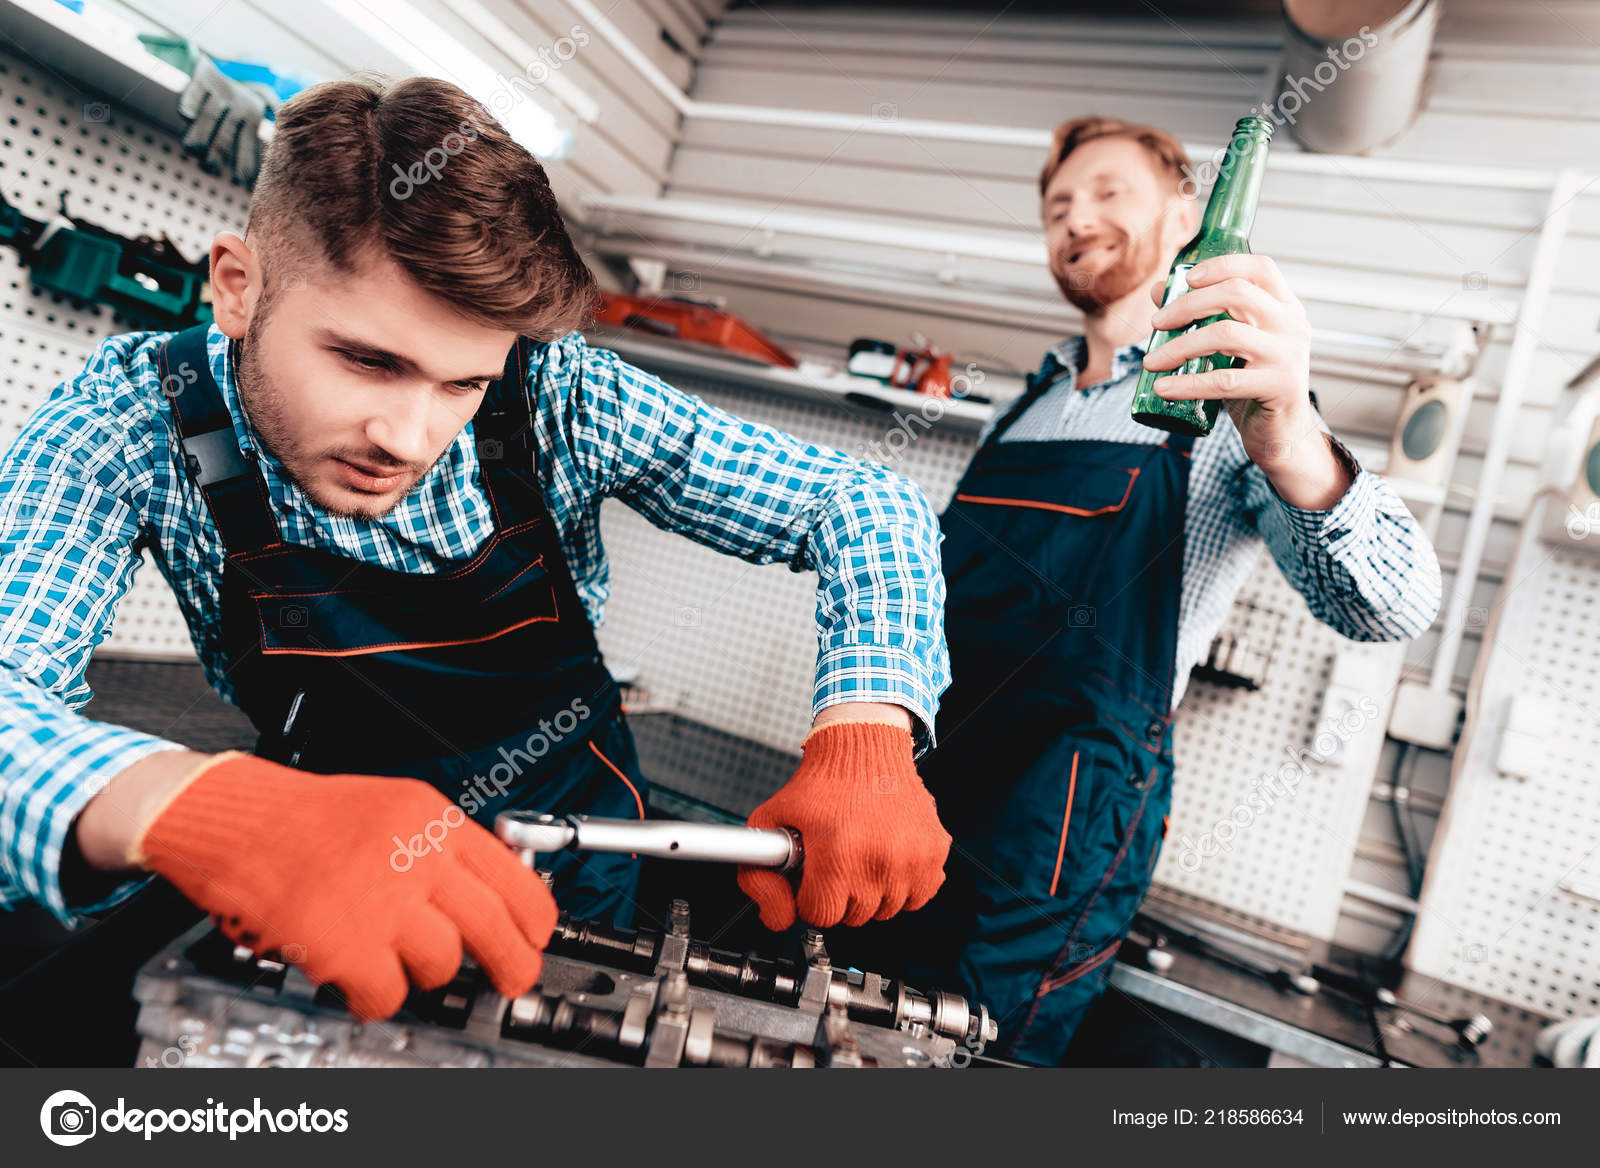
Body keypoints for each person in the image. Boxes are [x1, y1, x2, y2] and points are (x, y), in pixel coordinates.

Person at [0, 75, 953, 1046]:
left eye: (461, 381)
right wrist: (207, 811)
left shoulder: (554, 393)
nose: (406, 435)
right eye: (367, 360)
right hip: (329, 871)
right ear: (238, 286)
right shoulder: (133, 418)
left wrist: (868, 726)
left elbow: (858, 501)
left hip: (572, 872)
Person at [848, 115, 1443, 1066]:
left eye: (1109, 192)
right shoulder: (1026, 407)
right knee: (833, 1026)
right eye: (1057, 207)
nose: (1076, 220)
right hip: (919, 795)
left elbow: (1390, 608)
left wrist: (1288, 430)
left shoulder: (1230, 405)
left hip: (1057, 833)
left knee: (967, 1065)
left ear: (1184, 211)